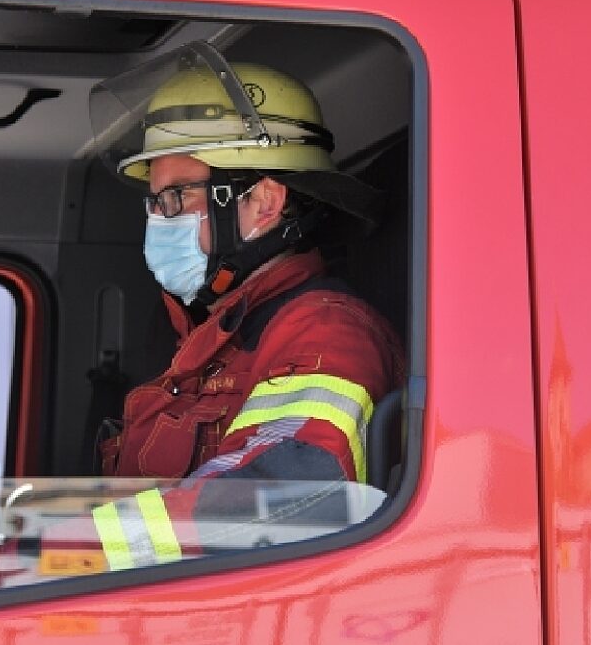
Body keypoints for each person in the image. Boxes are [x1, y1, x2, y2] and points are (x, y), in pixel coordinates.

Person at [40, 44, 404, 574]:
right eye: (155, 202)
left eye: (177, 198)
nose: (160, 220)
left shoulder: (326, 331)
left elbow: (283, 496)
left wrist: (52, 558)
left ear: (264, 203)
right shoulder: (207, 339)